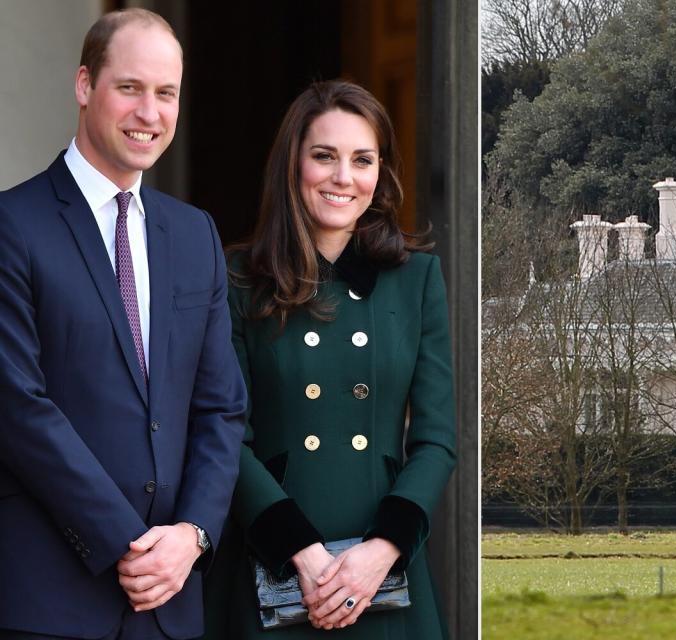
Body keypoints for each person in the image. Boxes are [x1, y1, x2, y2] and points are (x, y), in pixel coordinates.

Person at [0, 9, 246, 640]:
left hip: (170, 603)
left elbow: (220, 409)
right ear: (85, 86)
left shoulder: (196, 236)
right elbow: (18, 407)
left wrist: (190, 537)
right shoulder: (13, 225)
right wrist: (128, 544)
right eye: (129, 88)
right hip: (51, 601)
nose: (149, 112)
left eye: (166, 94)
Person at [203, 80, 457, 639]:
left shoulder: (416, 279)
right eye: (325, 156)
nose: (344, 177)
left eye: (362, 160)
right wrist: (304, 555)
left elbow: (437, 440)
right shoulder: (238, 278)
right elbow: (225, 435)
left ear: (379, 173)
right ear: (293, 164)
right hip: (272, 569)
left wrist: (381, 552)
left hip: (385, 579)